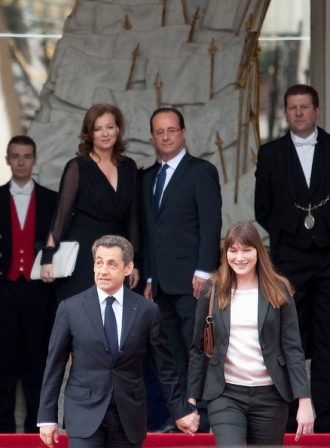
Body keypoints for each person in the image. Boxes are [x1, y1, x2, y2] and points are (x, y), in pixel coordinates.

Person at [37, 235, 199, 448]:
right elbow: (54, 365)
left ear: (128, 268)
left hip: (129, 415)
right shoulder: (71, 309)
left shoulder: (147, 311)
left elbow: (164, 367)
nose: (103, 270)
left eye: (112, 264)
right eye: (99, 263)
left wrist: (180, 411)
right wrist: (47, 417)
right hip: (83, 413)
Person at [187, 221, 314, 446]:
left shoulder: (278, 289)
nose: (240, 257)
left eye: (247, 250)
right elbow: (198, 348)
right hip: (225, 394)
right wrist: (191, 399)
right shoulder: (212, 289)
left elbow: (293, 348)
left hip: (271, 397)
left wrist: (304, 401)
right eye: (233, 251)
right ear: (225, 253)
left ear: (258, 251)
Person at [255, 84, 330, 432]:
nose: (299, 113)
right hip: (288, 261)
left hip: (329, 258)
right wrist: (296, 233)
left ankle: (326, 416)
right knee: (290, 337)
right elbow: (262, 209)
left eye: (305, 107)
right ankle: (287, 416)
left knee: (328, 337)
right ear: (285, 113)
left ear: (317, 111)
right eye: (292, 108)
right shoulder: (270, 154)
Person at [143, 108, 222, 432]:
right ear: (152, 137)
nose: (166, 137)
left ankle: (201, 416)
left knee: (198, 350)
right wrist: (148, 277)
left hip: (193, 282)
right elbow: (149, 231)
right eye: (159, 132)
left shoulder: (201, 171)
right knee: (171, 352)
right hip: (160, 284)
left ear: (184, 132)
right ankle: (180, 416)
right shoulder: (146, 177)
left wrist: (205, 272)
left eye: (172, 130)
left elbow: (211, 224)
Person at [40, 104, 139, 302]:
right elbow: (61, 216)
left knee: (115, 322)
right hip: (84, 256)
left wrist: (134, 262)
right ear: (89, 133)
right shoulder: (77, 167)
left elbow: (133, 219)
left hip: (117, 257)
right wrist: (48, 257)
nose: (105, 133)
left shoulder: (129, 166)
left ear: (118, 129)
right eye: (97, 128)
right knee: (83, 320)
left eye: (110, 127)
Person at [0, 136, 57, 433]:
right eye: (15, 156)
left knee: (37, 364)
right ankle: (3, 434)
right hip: (4, 291)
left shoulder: (52, 199)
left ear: (34, 159)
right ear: (8, 160)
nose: (21, 162)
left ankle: (38, 433)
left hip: (39, 292)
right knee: (3, 365)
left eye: (26, 156)